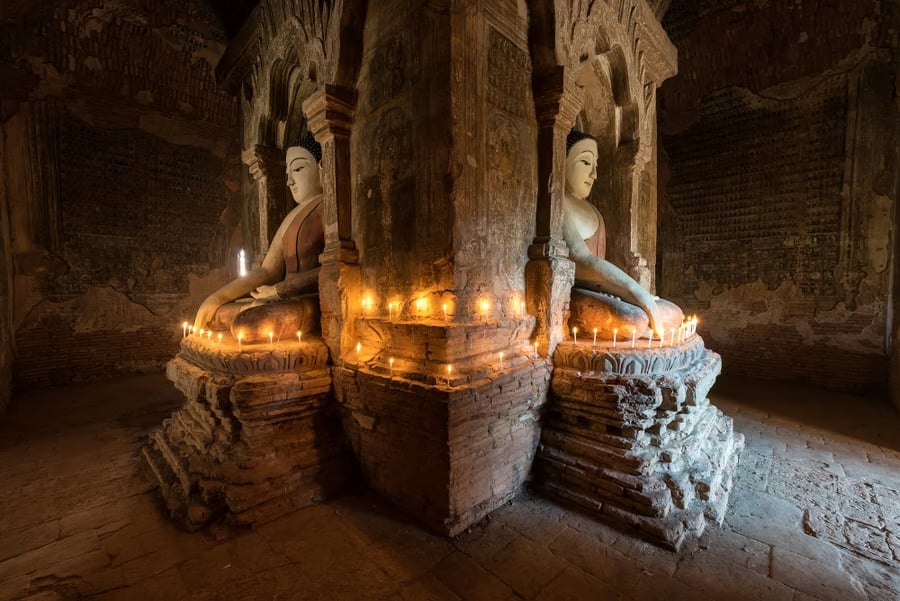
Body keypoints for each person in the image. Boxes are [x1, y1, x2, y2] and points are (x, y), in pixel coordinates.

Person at [192, 132, 325, 343]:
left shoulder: (329, 207)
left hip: (311, 300)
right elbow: (267, 270)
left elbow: (332, 268)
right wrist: (217, 298)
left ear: (322, 167)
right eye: (287, 172)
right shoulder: (291, 217)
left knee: (251, 323)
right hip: (276, 299)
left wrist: (278, 291)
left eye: (298, 169)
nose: (289, 181)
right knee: (217, 314)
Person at [562, 130, 681, 338]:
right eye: (586, 163)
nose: (594, 175)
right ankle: (641, 322)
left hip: (603, 287)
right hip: (574, 292)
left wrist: (631, 293)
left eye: (595, 165)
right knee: (631, 320)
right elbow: (582, 260)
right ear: (561, 162)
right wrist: (637, 292)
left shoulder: (594, 211)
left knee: (673, 312)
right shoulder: (559, 204)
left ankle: (644, 320)